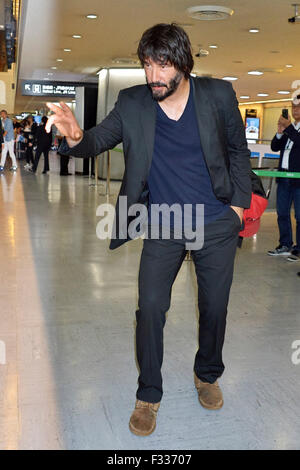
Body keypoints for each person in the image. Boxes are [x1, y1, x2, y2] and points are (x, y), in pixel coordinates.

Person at [45, 23, 252, 436]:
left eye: (163, 65)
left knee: (214, 308)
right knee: (151, 308)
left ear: (184, 63)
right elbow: (97, 140)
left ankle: (207, 375)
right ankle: (148, 394)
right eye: (147, 65)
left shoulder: (217, 96)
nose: (153, 75)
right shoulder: (133, 102)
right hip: (164, 223)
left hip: (215, 222)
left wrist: (237, 208)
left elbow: (236, 151)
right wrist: (74, 134)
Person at [268, 96, 300, 261]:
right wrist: (280, 133)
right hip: (284, 178)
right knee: (282, 213)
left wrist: (289, 129)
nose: (295, 110)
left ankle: (299, 249)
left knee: (299, 216)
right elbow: (274, 147)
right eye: (293, 107)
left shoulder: (293, 130)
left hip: (298, 180)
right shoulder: (290, 129)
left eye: (298, 107)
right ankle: (285, 244)